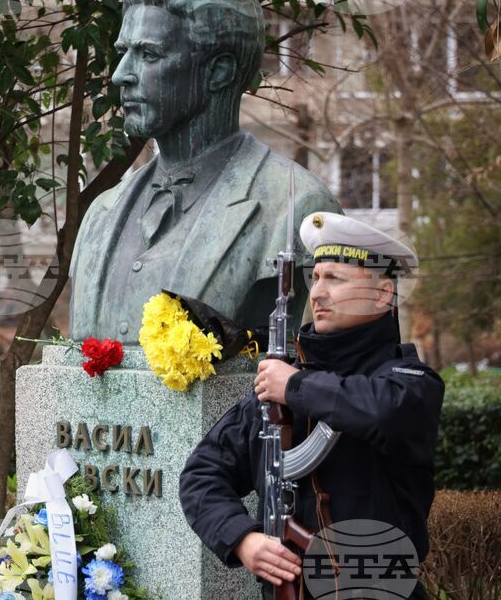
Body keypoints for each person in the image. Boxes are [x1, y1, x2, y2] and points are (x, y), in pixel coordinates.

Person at [179, 211, 444, 599]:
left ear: (383, 294)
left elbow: (382, 411)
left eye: (335, 278)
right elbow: (201, 474)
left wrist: (297, 386)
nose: (317, 293)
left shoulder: (408, 380)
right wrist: (242, 539)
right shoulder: (278, 389)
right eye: (315, 278)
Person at [69, 0, 341, 341]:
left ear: (220, 71)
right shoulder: (101, 215)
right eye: (123, 52)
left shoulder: (296, 205)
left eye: (148, 54)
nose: (120, 74)